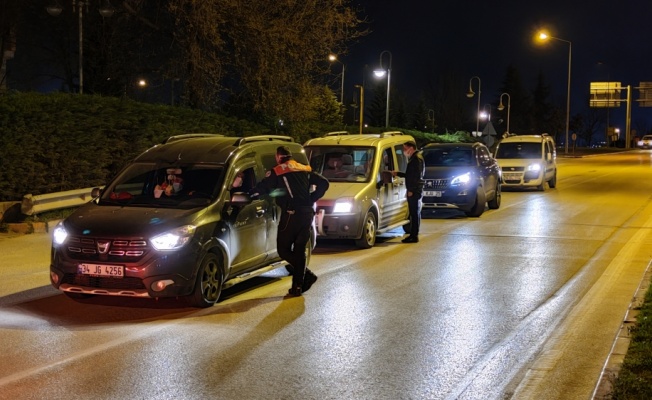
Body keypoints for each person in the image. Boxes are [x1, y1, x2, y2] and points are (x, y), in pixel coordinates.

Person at [251, 146, 329, 296]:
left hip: (291, 214)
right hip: (307, 214)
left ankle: (307, 274)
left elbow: (263, 187)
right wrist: (311, 199)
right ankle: (297, 287)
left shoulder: (278, 170)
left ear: (278, 157)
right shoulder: (303, 168)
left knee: (283, 250)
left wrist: (251, 193)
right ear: (290, 156)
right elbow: (324, 183)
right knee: (299, 250)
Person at [391, 141, 425, 243]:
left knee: (414, 213)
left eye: (405, 149)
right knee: (414, 213)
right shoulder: (415, 158)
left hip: (415, 190)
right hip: (415, 189)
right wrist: (398, 173)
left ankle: (414, 236)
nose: (404, 151)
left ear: (411, 148)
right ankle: (413, 235)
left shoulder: (416, 159)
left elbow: (416, 177)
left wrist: (411, 190)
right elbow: (410, 174)